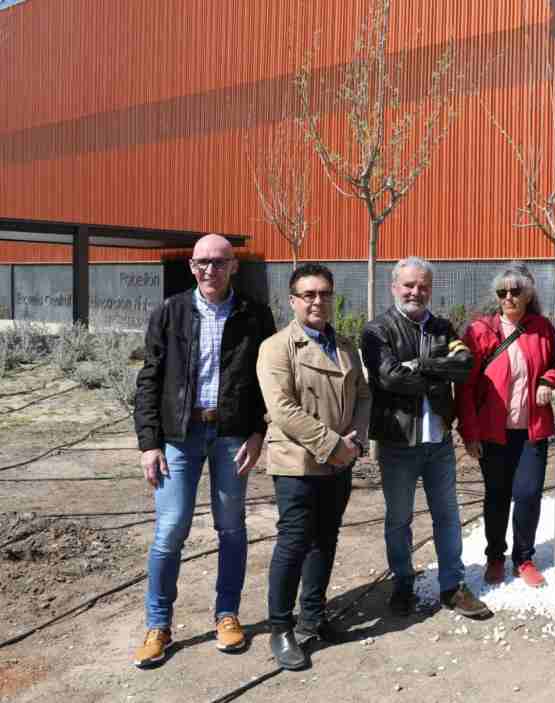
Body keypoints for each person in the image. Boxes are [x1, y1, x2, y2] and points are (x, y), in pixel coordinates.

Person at [132, 234, 276, 668]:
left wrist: (258, 432)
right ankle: (158, 625)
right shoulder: (170, 312)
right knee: (170, 529)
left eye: (219, 262)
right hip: (179, 436)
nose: (210, 269)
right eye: (202, 263)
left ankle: (227, 614)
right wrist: (149, 443)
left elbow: (266, 381)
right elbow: (149, 379)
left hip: (232, 435)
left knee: (231, 527)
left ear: (234, 266)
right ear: (192, 267)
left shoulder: (254, 314)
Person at [361, 257, 492, 620]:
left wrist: (420, 365)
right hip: (397, 442)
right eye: (409, 285)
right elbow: (389, 377)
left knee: (447, 516)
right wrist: (437, 375)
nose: (416, 292)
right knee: (399, 519)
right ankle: (403, 582)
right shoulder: (377, 330)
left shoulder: (442, 328)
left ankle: (453, 586)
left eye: (423, 286)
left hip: (439, 443)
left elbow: (465, 366)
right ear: (394, 287)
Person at [256, 264, 370, 670]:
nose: (318, 301)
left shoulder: (346, 346)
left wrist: (355, 440)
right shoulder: (277, 347)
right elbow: (282, 409)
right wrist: (331, 445)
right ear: (293, 301)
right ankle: (281, 628)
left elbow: (363, 394)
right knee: (294, 542)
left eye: (324, 293)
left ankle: (314, 616)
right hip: (298, 462)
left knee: (326, 539)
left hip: (340, 461)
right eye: (309, 294)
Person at [457, 262, 555, 589]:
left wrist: (549, 379)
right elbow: (465, 387)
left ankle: (524, 559)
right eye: (502, 292)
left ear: (528, 294)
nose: (508, 297)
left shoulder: (542, 328)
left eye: (515, 291)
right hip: (493, 432)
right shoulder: (480, 331)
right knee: (497, 496)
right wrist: (469, 432)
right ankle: (495, 557)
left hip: (531, 429)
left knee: (529, 494)